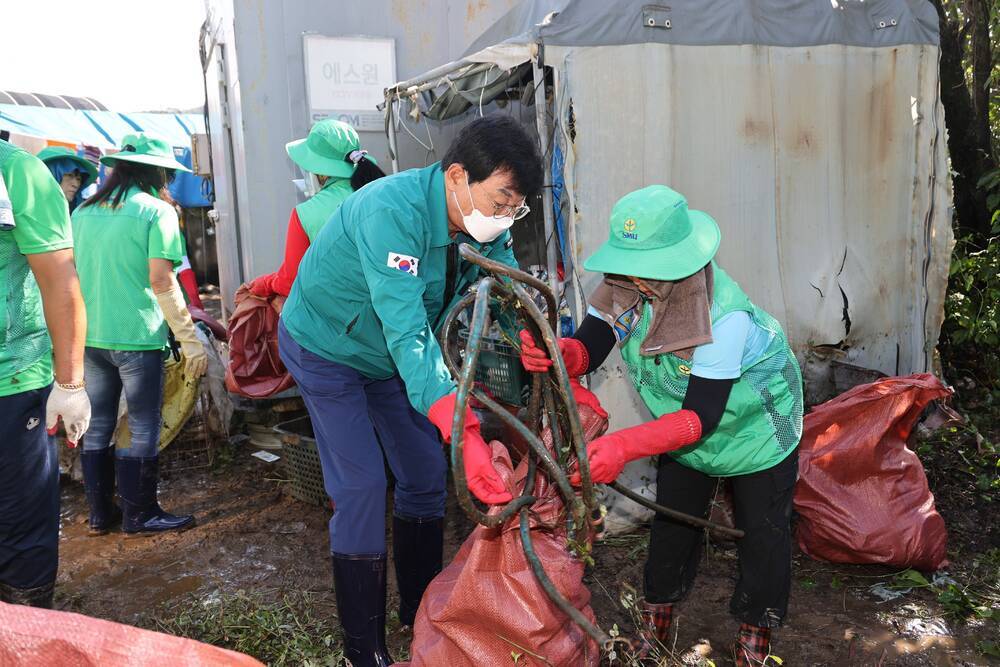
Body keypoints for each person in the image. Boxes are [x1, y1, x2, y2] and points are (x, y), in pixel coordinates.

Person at [278, 115, 543, 666]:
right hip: (328, 348)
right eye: (499, 201)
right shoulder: (390, 213)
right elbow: (407, 331)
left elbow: (511, 284)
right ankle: (363, 649)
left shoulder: (486, 221)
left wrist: (530, 337)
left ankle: (421, 611)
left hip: (391, 360)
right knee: (362, 487)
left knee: (424, 475)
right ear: (455, 177)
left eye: (514, 207)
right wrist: (463, 428)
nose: (505, 217)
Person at [520, 185, 803, 666]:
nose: (632, 275)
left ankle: (757, 632)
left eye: (643, 264)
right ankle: (658, 623)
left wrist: (623, 447)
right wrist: (564, 354)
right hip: (686, 430)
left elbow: (702, 416)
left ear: (675, 260)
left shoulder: (722, 316)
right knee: (674, 519)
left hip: (755, 426)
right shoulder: (628, 283)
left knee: (764, 532)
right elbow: (595, 341)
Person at [71, 133, 208, 537]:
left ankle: (101, 514)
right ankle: (140, 514)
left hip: (92, 337)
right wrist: (189, 338)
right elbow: (163, 283)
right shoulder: (157, 212)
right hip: (138, 337)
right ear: (158, 172)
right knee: (144, 425)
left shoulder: (83, 211)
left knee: (98, 425)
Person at [0, 138, 91, 608]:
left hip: (10, 382)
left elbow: (60, 280)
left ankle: (28, 635)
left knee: (19, 526)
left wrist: (70, 382)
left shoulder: (16, 173)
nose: (73, 183)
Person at [247, 118, 385, 303]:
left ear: (321, 172)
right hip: (388, 306)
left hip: (339, 318)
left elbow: (290, 283)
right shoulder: (380, 193)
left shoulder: (305, 214)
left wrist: (265, 283)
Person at [37, 146, 98, 212]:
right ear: (51, 174)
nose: (76, 185)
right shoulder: (29, 205)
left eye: (78, 179)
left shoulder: (77, 214)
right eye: (69, 175)